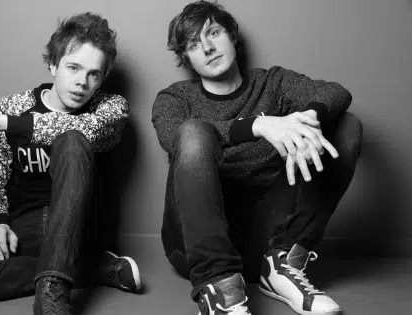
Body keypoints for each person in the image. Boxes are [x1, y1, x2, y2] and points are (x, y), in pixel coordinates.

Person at [151, 1, 362, 315]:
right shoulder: (176, 97)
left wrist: (306, 121)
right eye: (195, 44)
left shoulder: (271, 83)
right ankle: (219, 291)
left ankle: (282, 264)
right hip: (195, 246)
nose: (207, 48)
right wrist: (261, 125)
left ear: (232, 35)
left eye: (213, 33)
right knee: (192, 133)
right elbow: (172, 136)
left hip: (266, 237)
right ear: (187, 57)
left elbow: (337, 92)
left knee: (345, 125)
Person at [0, 12, 142, 315]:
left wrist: (5, 125)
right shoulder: (12, 107)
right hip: (27, 229)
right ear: (52, 64)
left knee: (73, 139)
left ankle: (52, 293)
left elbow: (89, 130)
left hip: (80, 227)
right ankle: (89, 269)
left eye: (93, 74)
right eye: (73, 68)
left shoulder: (110, 108)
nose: (81, 82)